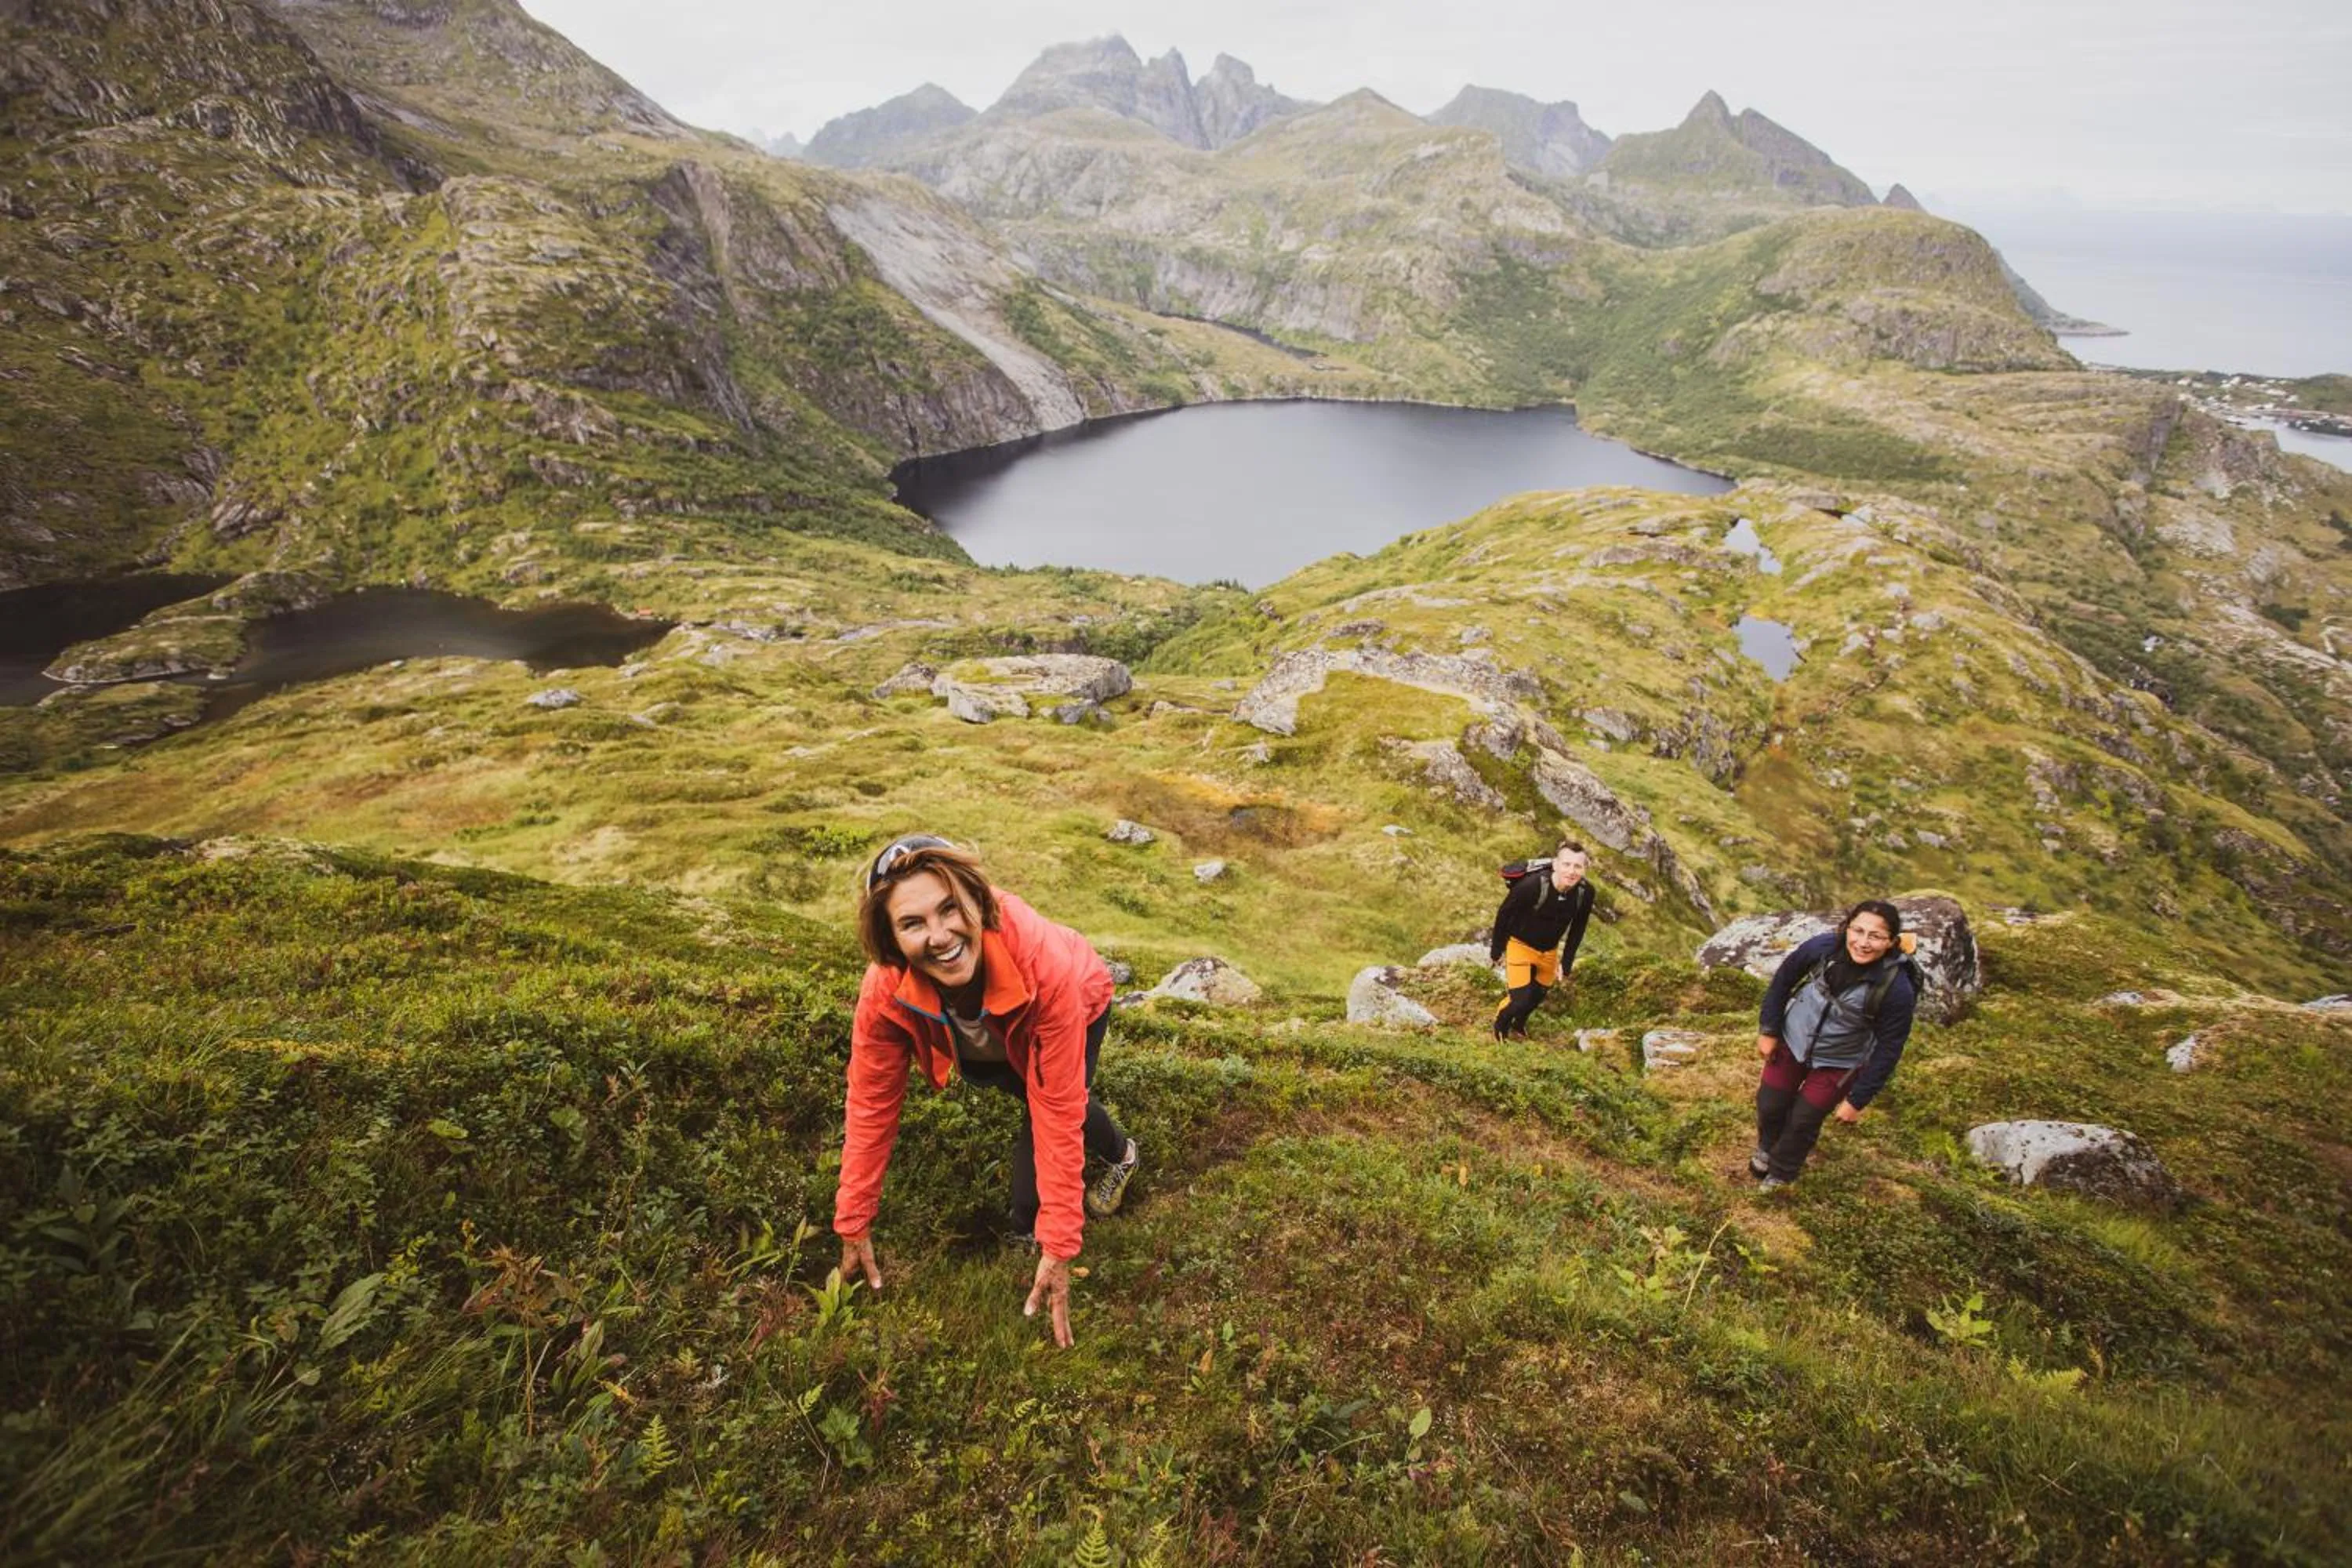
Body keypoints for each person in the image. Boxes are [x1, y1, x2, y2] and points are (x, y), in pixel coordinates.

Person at [833, 834, 1141, 1347]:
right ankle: (1055, 1206)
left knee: (1052, 1108)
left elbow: (1057, 1111)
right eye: (912, 923)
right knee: (1036, 1101)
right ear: (890, 940)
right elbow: (870, 1108)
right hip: (990, 1040)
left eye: (950, 908)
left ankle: (1120, 1157)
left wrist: (1059, 1242)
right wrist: (853, 1219)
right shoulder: (885, 989)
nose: (939, 935)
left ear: (979, 901)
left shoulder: (1043, 963)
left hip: (1075, 1003)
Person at [1750, 900, 1918, 1191]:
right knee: (1770, 1104)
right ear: (1846, 928)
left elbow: (1890, 1048)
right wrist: (1769, 1029)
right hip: (1793, 1039)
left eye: (1875, 936)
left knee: (1804, 1120)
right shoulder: (1823, 949)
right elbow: (1783, 980)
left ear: (1891, 942)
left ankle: (1782, 1173)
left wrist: (1857, 1100)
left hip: (1840, 1061)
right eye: (1858, 931)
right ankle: (1767, 1146)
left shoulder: (1896, 988)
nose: (1863, 943)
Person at [1488, 841, 1595, 1040]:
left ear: (1584, 869)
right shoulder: (1531, 886)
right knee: (1520, 1000)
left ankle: (1519, 1025)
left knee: (1538, 995)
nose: (1571, 871)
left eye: (1577, 866)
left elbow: (1578, 927)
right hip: (1520, 945)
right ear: (1555, 864)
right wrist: (1497, 950)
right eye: (1566, 864)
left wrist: (1567, 962)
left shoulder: (1585, 893)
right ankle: (1500, 1026)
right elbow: (1504, 915)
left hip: (1549, 950)